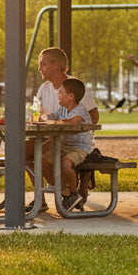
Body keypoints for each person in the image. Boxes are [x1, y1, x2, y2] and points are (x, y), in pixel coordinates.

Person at [27, 47, 99, 209]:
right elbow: (39, 115)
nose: (39, 69)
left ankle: (68, 191)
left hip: (72, 142)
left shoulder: (77, 88)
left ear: (56, 65)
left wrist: (74, 133)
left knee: (40, 153)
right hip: (48, 138)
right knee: (23, 152)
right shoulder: (43, 89)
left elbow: (93, 118)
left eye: (43, 65)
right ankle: (55, 193)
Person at [46, 77, 95, 211]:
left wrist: (52, 122)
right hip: (64, 146)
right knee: (43, 161)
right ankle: (63, 190)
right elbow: (50, 117)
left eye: (61, 92)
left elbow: (71, 122)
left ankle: (74, 194)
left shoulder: (80, 110)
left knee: (66, 164)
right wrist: (43, 117)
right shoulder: (62, 110)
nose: (58, 94)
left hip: (80, 148)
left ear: (71, 96)